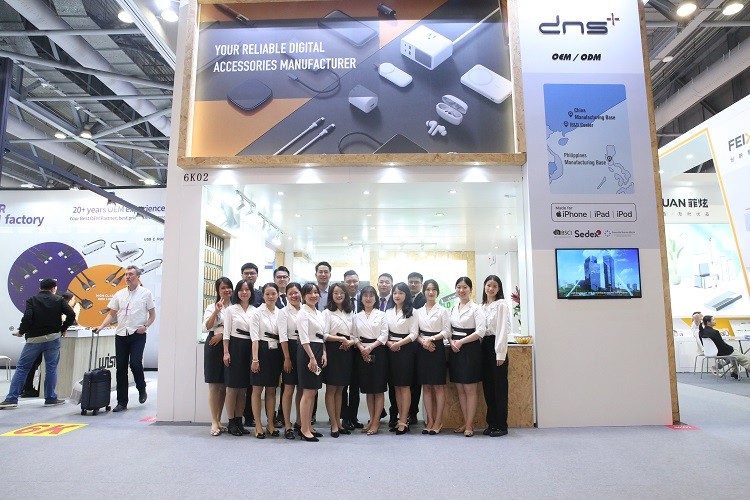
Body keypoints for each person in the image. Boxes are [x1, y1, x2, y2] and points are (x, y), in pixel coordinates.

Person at [0, 278, 76, 409]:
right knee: (51, 368)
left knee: (22, 368)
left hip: (34, 339)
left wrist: (21, 331)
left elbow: (27, 317)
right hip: (53, 338)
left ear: (40, 288)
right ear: (54, 288)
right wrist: (63, 328)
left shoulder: (32, 300)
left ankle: (11, 399)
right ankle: (50, 398)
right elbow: (71, 314)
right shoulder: (59, 300)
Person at [93, 265, 156, 413]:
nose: (127, 277)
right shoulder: (119, 294)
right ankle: (122, 402)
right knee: (120, 368)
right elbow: (112, 314)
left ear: (138, 277)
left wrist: (145, 326)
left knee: (135, 363)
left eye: (131, 274)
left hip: (137, 334)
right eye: (126, 274)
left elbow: (152, 315)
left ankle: (141, 388)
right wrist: (101, 326)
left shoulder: (146, 293)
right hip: (121, 334)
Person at [449, 276, 486, 437]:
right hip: (455, 350)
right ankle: (465, 422)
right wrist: (452, 341)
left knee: (470, 389)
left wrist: (461, 342)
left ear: (470, 289)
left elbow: (481, 331)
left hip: (470, 350)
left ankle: (470, 425)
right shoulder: (453, 308)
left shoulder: (476, 308)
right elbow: (449, 329)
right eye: (459, 287)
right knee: (460, 389)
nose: (461, 290)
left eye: (465, 287)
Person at [352, 285, 388, 435]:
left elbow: (384, 334)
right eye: (365, 295)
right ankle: (371, 419)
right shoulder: (356, 316)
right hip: (362, 353)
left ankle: (376, 422)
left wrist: (370, 347)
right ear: (361, 299)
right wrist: (362, 348)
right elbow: (354, 336)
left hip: (378, 351)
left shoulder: (382, 315)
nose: (368, 298)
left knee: (378, 389)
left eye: (371, 295)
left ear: (375, 298)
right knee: (368, 389)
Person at [415, 279, 450, 434]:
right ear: (424, 292)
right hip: (422, 349)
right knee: (426, 386)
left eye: (433, 289)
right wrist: (423, 341)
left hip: (437, 348)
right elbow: (414, 332)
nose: (430, 292)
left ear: (437, 292)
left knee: (438, 386)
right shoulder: (418, 311)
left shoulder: (443, 310)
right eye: (428, 289)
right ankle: (429, 420)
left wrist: (432, 339)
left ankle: (438, 421)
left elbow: (447, 331)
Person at [250, 283, 284, 439]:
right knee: (257, 390)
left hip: (276, 352)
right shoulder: (257, 313)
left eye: (273, 293)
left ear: (277, 295)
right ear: (263, 295)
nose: (271, 297)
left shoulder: (281, 313)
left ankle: (270, 423)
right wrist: (255, 359)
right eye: (267, 294)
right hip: (260, 350)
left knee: (271, 390)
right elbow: (254, 338)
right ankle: (258, 424)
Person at [222, 279, 255, 436]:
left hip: (250, 347)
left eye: (247, 290)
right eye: (241, 290)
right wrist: (226, 352)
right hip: (235, 347)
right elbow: (226, 333)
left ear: (251, 292)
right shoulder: (231, 310)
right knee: (232, 388)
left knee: (243, 389)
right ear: (237, 292)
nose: (244, 292)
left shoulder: (255, 310)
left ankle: (239, 421)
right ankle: (231, 422)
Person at [385, 282, 419, 435]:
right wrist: (389, 343)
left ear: (406, 295)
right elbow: (384, 332)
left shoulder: (413, 312)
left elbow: (414, 334)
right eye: (395, 293)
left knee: (404, 386)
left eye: (400, 293)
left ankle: (405, 421)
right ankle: (400, 418)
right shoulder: (388, 311)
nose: (397, 296)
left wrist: (398, 344)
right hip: (391, 349)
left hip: (405, 350)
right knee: (396, 386)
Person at [323, 283, 355, 437]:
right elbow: (323, 335)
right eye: (335, 293)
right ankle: (333, 424)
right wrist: (340, 339)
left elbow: (355, 334)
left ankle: (339, 422)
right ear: (331, 295)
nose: (339, 295)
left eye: (341, 292)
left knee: (341, 389)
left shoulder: (350, 312)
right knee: (331, 388)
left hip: (347, 350)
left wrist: (350, 342)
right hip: (333, 350)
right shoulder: (327, 312)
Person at [297, 283, 327, 442]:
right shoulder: (302, 313)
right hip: (307, 352)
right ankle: (303, 429)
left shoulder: (319, 313)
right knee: (308, 392)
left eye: (316, 292)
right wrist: (312, 358)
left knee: (313, 391)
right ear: (303, 296)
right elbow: (304, 338)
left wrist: (324, 353)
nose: (313, 295)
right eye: (309, 293)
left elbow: (322, 335)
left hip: (318, 349)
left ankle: (308, 426)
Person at [202, 277, 232, 436]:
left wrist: (221, 334)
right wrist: (216, 312)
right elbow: (207, 326)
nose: (226, 290)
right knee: (214, 385)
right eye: (223, 288)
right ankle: (214, 421)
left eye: (229, 287)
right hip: (213, 347)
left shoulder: (235, 307)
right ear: (218, 291)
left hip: (230, 346)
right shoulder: (211, 307)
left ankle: (219, 420)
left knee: (224, 386)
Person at [481, 275, 510, 437]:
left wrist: (500, 353)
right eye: (488, 285)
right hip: (484, 347)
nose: (491, 288)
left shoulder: (501, 305)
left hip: (496, 346)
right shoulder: (482, 306)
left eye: (494, 286)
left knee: (499, 387)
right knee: (488, 387)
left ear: (499, 289)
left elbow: (502, 330)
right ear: (484, 286)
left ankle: (501, 425)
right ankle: (491, 423)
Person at [279, 282, 303, 440]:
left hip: (305, 348)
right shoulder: (283, 312)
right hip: (290, 349)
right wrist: (287, 358)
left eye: (296, 292)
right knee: (289, 388)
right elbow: (283, 337)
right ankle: (287, 425)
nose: (294, 295)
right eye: (291, 293)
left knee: (302, 388)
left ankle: (300, 422)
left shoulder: (306, 309)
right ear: (286, 296)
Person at [341, 269, 363, 430]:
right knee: (342, 385)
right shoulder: (340, 300)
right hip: (343, 347)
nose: (352, 284)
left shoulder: (365, 298)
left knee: (356, 385)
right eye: (348, 281)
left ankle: (353, 416)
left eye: (355, 281)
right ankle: (344, 417)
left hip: (360, 348)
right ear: (344, 282)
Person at [240, 262, 261, 427]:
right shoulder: (238, 292)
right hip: (240, 344)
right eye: (246, 273)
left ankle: (250, 415)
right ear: (242, 275)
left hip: (257, 343)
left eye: (252, 273)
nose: (249, 275)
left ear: (257, 275)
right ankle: (238, 416)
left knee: (254, 383)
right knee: (241, 383)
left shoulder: (261, 294)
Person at [272, 266, 291, 428]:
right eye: (279, 277)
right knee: (272, 384)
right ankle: (271, 417)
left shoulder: (294, 298)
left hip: (289, 347)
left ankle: (282, 414)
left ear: (289, 279)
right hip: (272, 347)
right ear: (274, 279)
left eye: (285, 277)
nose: (282, 279)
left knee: (287, 383)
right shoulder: (270, 296)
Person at [406, 271, 425, 424]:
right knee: (403, 381)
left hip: (419, 346)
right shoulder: (403, 298)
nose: (413, 284)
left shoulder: (424, 300)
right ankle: (402, 411)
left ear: (421, 284)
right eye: (411, 282)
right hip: (404, 345)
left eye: (416, 282)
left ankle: (413, 413)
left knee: (415, 382)